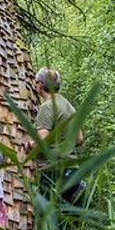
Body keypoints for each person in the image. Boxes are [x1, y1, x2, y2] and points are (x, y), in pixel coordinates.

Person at [32, 66, 85, 204]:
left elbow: (43, 140)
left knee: (46, 217)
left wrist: (30, 145)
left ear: (40, 85)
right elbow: (79, 140)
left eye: (36, 81)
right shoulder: (69, 106)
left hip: (52, 172)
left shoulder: (47, 107)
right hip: (72, 170)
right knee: (65, 219)